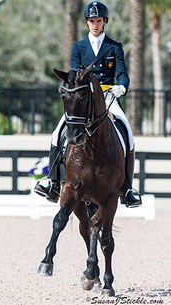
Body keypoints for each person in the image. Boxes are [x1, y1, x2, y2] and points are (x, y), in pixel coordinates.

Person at [35, 1, 141, 208]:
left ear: (104, 22)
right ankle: (52, 181)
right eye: (91, 21)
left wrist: (121, 87)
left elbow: (122, 73)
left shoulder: (114, 47)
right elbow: (74, 74)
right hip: (84, 99)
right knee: (57, 132)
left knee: (127, 133)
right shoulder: (79, 47)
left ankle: (128, 188)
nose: (95, 24)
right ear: (87, 22)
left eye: (98, 21)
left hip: (109, 97)